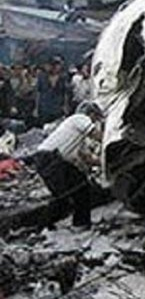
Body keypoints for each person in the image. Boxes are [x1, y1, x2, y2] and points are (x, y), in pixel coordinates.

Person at [24, 101, 104, 229]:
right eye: (96, 117)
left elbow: (87, 158)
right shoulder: (79, 118)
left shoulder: (78, 136)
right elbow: (96, 135)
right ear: (91, 113)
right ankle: (43, 226)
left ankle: (81, 223)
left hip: (54, 160)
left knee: (81, 187)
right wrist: (111, 140)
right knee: (63, 196)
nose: (95, 121)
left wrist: (105, 162)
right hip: (50, 159)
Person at [36, 57, 69, 125]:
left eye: (57, 65)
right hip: (44, 107)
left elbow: (65, 93)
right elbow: (38, 93)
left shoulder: (63, 78)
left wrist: (65, 106)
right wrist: (36, 108)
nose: (55, 67)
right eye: (53, 65)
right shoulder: (42, 77)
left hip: (58, 108)